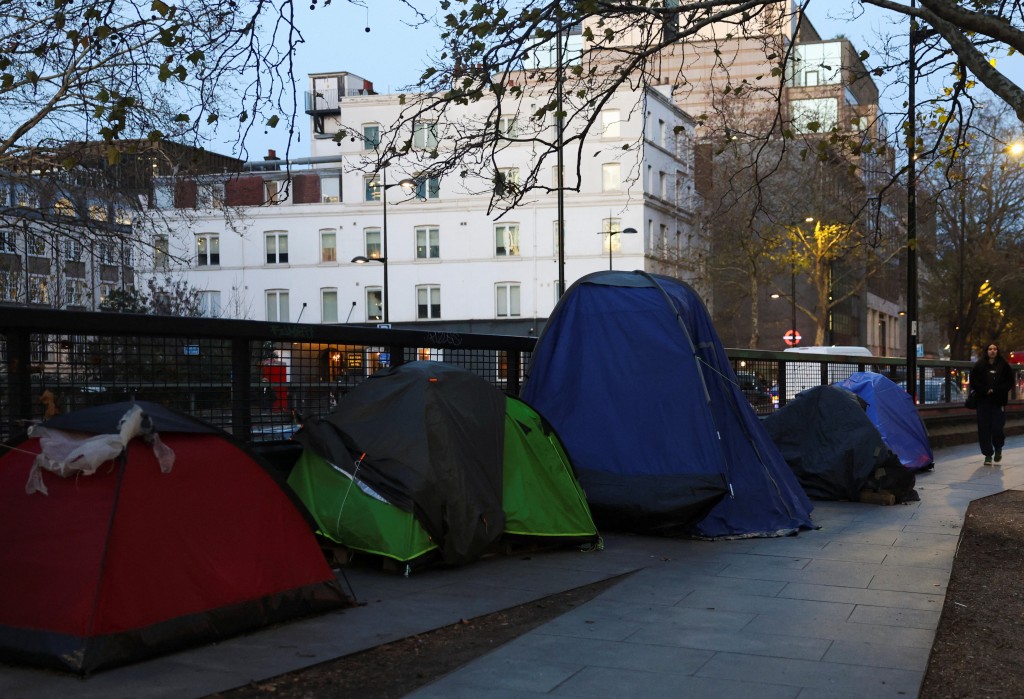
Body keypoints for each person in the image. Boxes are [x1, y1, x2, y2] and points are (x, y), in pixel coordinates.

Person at [968, 343, 1014, 465]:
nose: (992, 351)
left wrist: (996, 390)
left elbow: (1009, 382)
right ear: (986, 351)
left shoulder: (1004, 366)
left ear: (997, 351)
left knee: (997, 428)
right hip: (983, 402)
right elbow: (973, 381)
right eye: (990, 349)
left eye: (994, 349)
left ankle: (998, 447)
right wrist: (985, 390)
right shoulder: (979, 365)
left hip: (998, 402)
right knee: (983, 429)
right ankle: (988, 454)